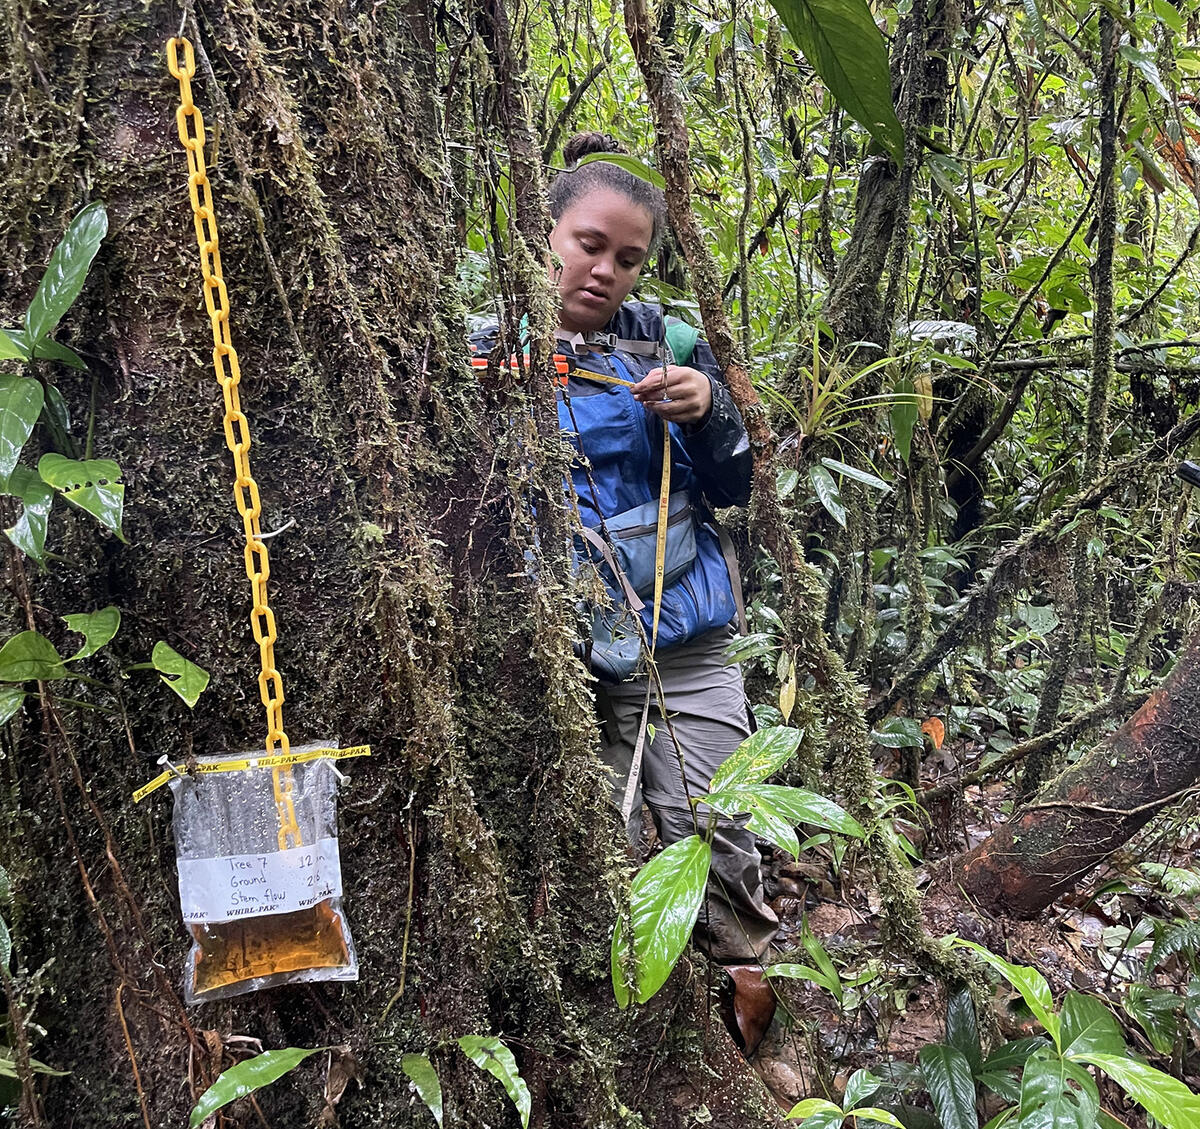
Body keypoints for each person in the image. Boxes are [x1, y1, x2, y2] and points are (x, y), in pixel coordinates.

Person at [470, 132, 778, 1025]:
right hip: (557, 654)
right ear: (546, 235)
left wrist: (711, 412)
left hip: (682, 633)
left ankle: (738, 993)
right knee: (580, 838)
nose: (606, 271)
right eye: (589, 244)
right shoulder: (485, 347)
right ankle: (604, 1018)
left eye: (629, 258)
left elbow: (738, 488)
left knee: (716, 826)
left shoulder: (669, 344)